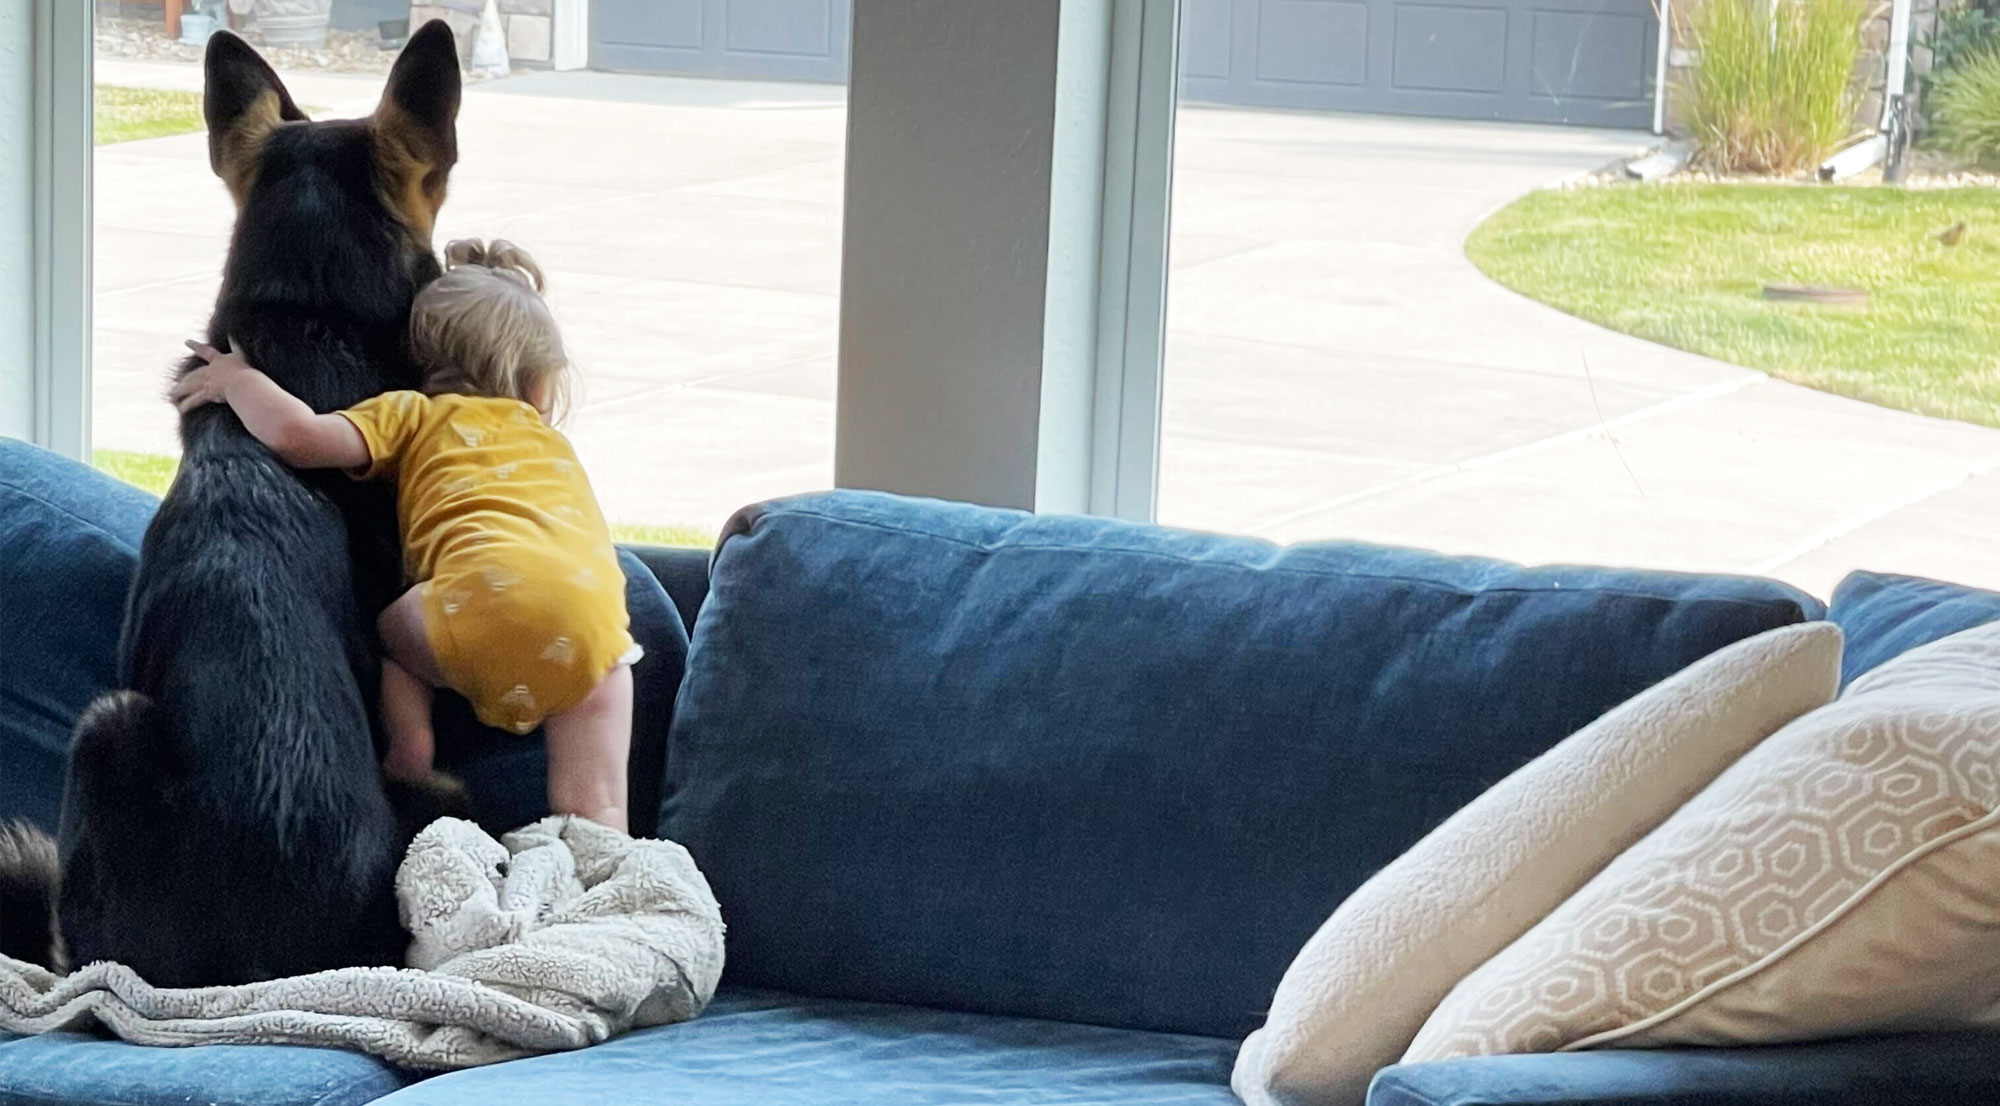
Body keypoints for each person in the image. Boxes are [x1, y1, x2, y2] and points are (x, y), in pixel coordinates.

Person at [170, 239, 638, 832]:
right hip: (592, 627)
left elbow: (298, 436)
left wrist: (236, 380)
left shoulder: (414, 414)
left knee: (392, 634)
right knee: (596, 801)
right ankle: (604, 863)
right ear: (541, 389)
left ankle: (411, 754)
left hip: (474, 607)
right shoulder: (553, 444)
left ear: (421, 358)